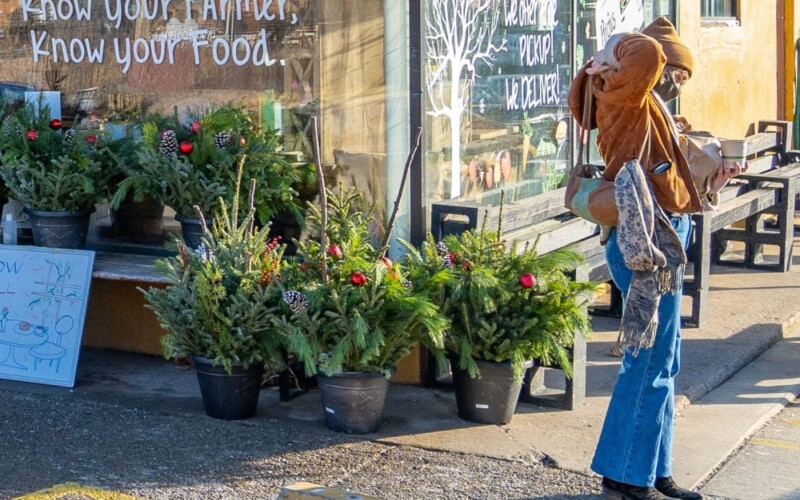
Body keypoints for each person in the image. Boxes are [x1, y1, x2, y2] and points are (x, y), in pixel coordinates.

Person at [568, 17, 745, 500]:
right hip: (645, 238)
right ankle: (628, 473)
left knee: (665, 357)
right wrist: (610, 52)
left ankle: (651, 466)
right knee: (648, 359)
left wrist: (716, 180)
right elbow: (646, 53)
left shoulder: (647, 109)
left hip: (661, 232)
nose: (678, 81)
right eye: (675, 71)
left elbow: (669, 182)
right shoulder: (625, 96)